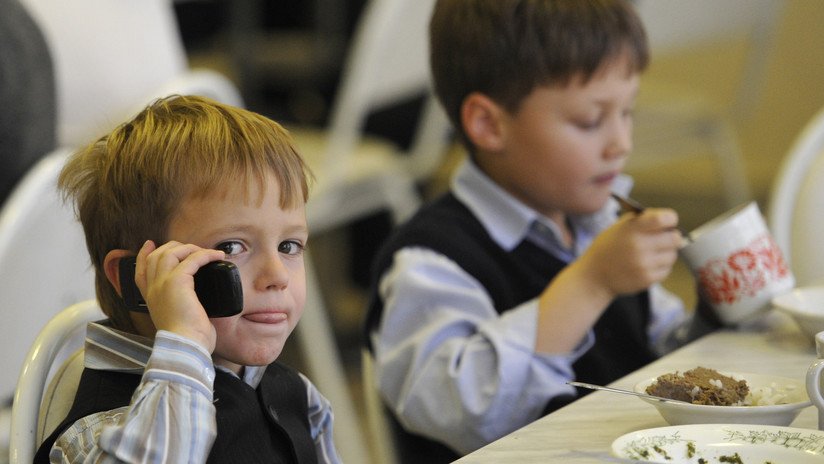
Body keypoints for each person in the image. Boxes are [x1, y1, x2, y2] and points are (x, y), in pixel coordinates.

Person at [363, 0, 720, 461]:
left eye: (626, 112)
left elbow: (664, 351)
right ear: (489, 124)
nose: (621, 143)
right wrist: (591, 283)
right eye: (590, 120)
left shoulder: (595, 226)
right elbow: (469, 411)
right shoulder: (429, 260)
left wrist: (721, 305)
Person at [35, 95, 341, 463]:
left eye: (289, 245)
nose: (277, 276)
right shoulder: (99, 431)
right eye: (232, 246)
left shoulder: (297, 398)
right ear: (135, 277)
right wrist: (186, 343)